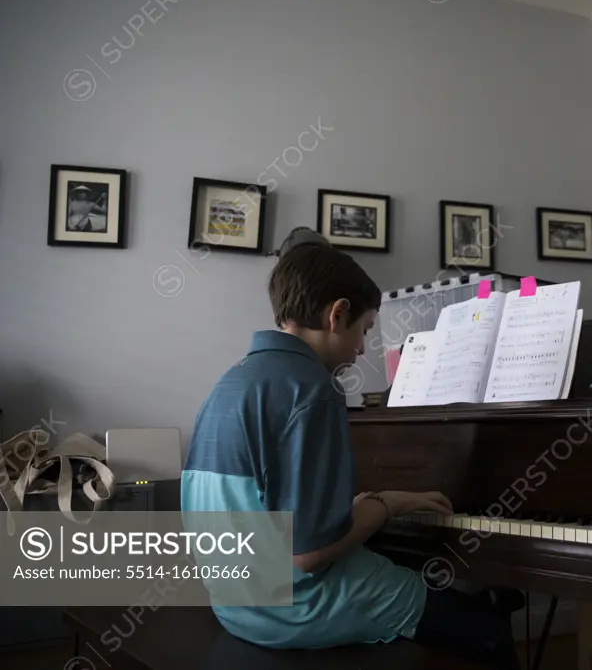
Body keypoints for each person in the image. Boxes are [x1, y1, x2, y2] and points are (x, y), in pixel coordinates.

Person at [180, 232, 521, 669]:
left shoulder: (232, 381)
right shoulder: (313, 388)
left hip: (234, 604)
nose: (362, 349)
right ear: (337, 314)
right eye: (365, 330)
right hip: (294, 608)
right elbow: (309, 555)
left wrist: (351, 512)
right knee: (486, 629)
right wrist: (385, 505)